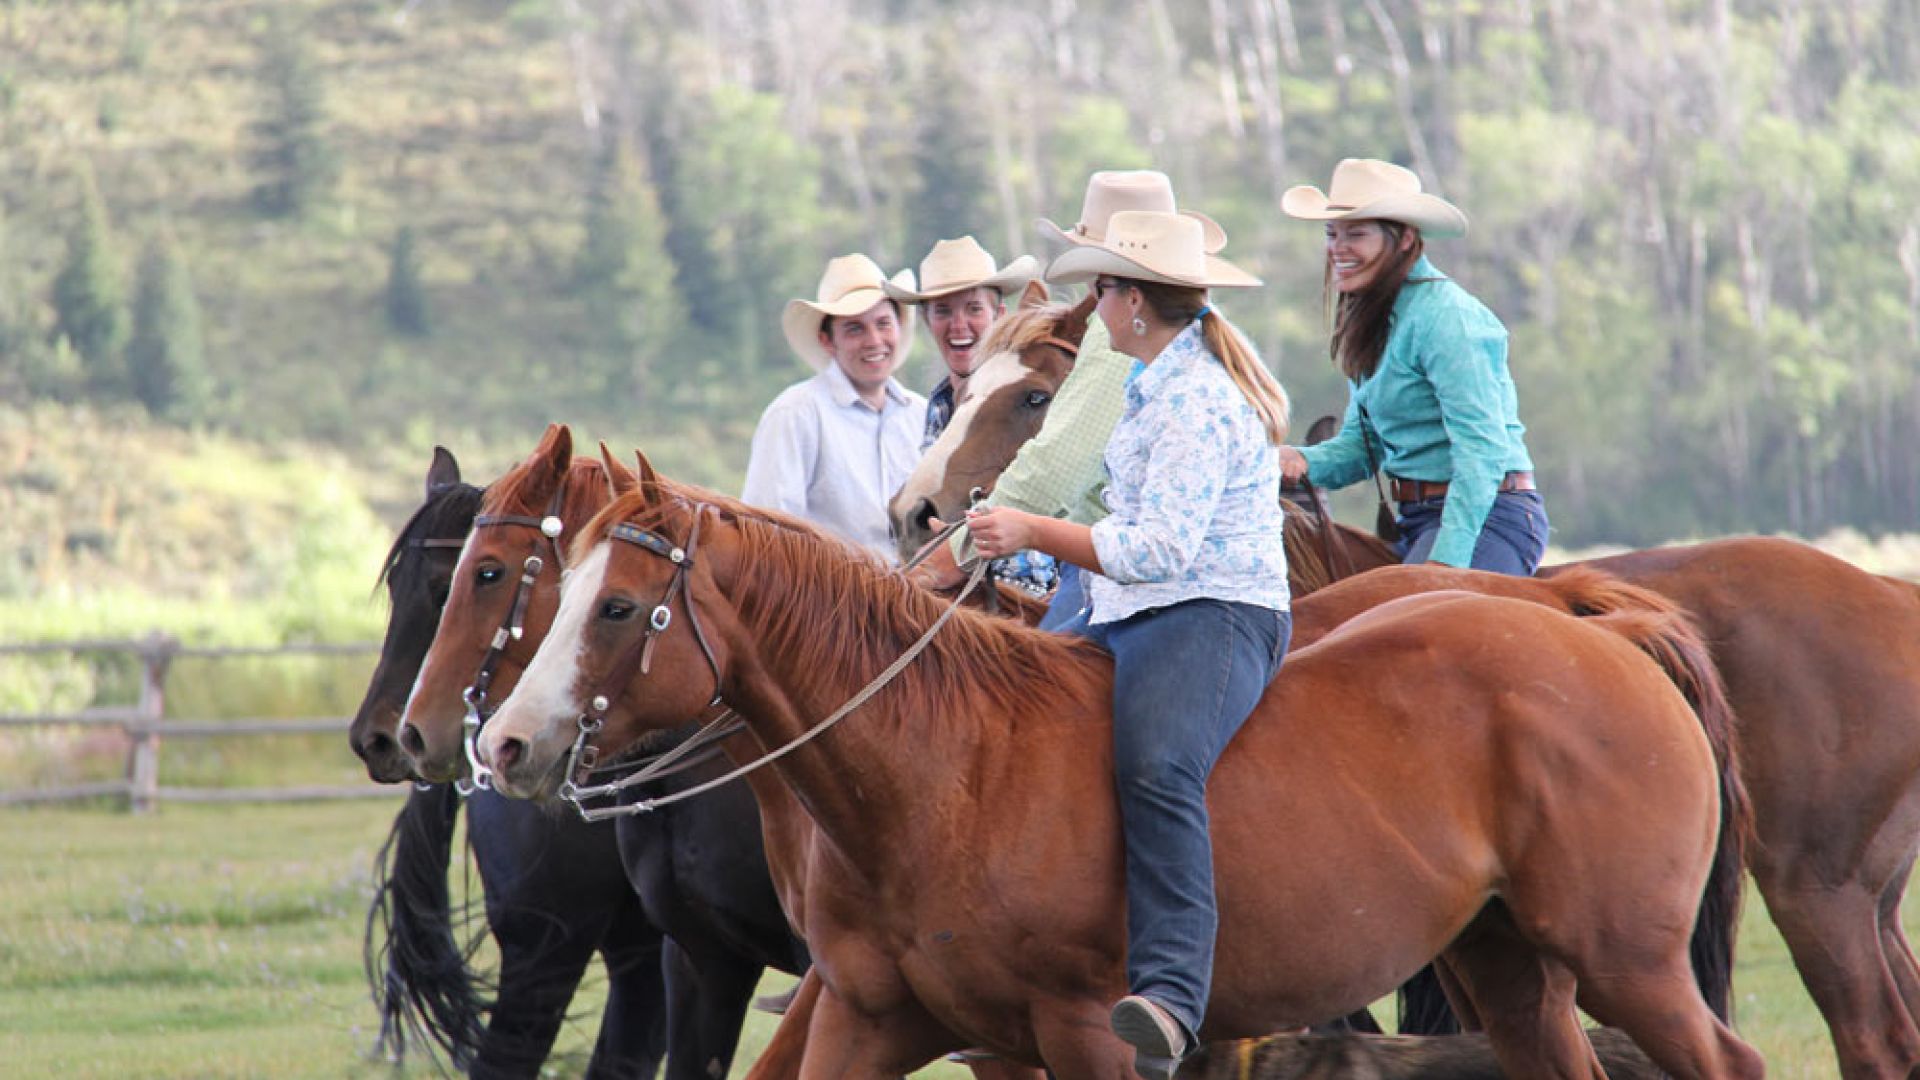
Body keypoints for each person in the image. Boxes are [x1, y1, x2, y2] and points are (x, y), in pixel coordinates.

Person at [965, 209, 1291, 1080]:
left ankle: (1174, 996)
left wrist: (1030, 524)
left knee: (1157, 765)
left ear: (1135, 302)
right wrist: (1026, 538)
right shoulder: (1155, 382)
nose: (1094, 299)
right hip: (1131, 602)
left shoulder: (1190, 400)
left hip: (1212, 609)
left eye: (1103, 285)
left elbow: (1162, 550)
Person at [913, 170, 1228, 632]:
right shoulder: (1180, 337)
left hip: (1141, 580)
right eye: (942, 309)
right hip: (1130, 569)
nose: (1093, 300)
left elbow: (1059, 465)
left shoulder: (1117, 335)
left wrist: (961, 547)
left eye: (1099, 283)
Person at [1276, 158, 1549, 573]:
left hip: (1488, 518)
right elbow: (1361, 447)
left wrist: (1446, 560)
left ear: (1404, 238)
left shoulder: (1448, 318)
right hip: (1417, 522)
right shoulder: (1376, 321)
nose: (1338, 249)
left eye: (1357, 234)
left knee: (1402, 624)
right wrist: (1300, 460)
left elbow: (1482, 450)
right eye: (1332, 234)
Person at [884, 236, 1055, 592]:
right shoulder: (938, 406)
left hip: (1024, 594)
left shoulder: (1029, 402)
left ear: (1000, 316)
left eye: (974, 309)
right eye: (943, 311)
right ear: (928, 322)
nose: (958, 325)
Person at [741, 253, 925, 562]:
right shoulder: (796, 414)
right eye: (855, 329)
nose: (874, 340)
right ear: (827, 341)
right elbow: (768, 534)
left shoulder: (921, 415)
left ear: (899, 328)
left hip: (921, 598)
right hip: (834, 602)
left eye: (883, 324)